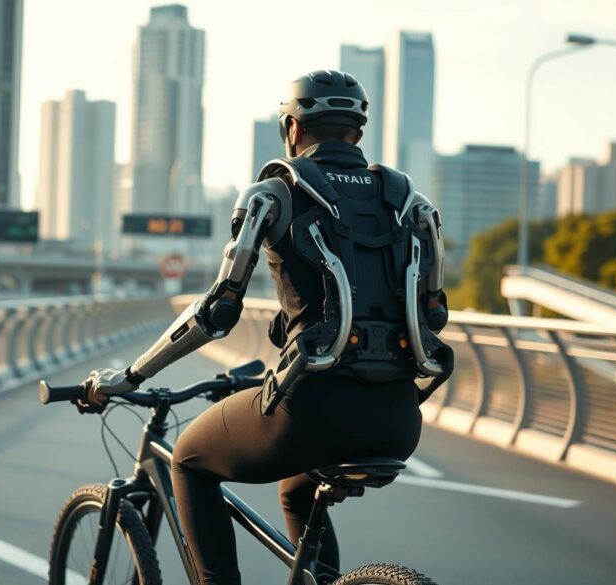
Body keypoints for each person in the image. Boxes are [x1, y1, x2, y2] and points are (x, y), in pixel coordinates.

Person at [81, 69, 452, 584]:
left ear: (292, 129)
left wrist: (131, 375)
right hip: (399, 420)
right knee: (295, 490)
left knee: (188, 459)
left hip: (311, 412)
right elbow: (433, 314)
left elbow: (214, 314)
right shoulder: (409, 203)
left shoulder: (274, 193)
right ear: (358, 135)